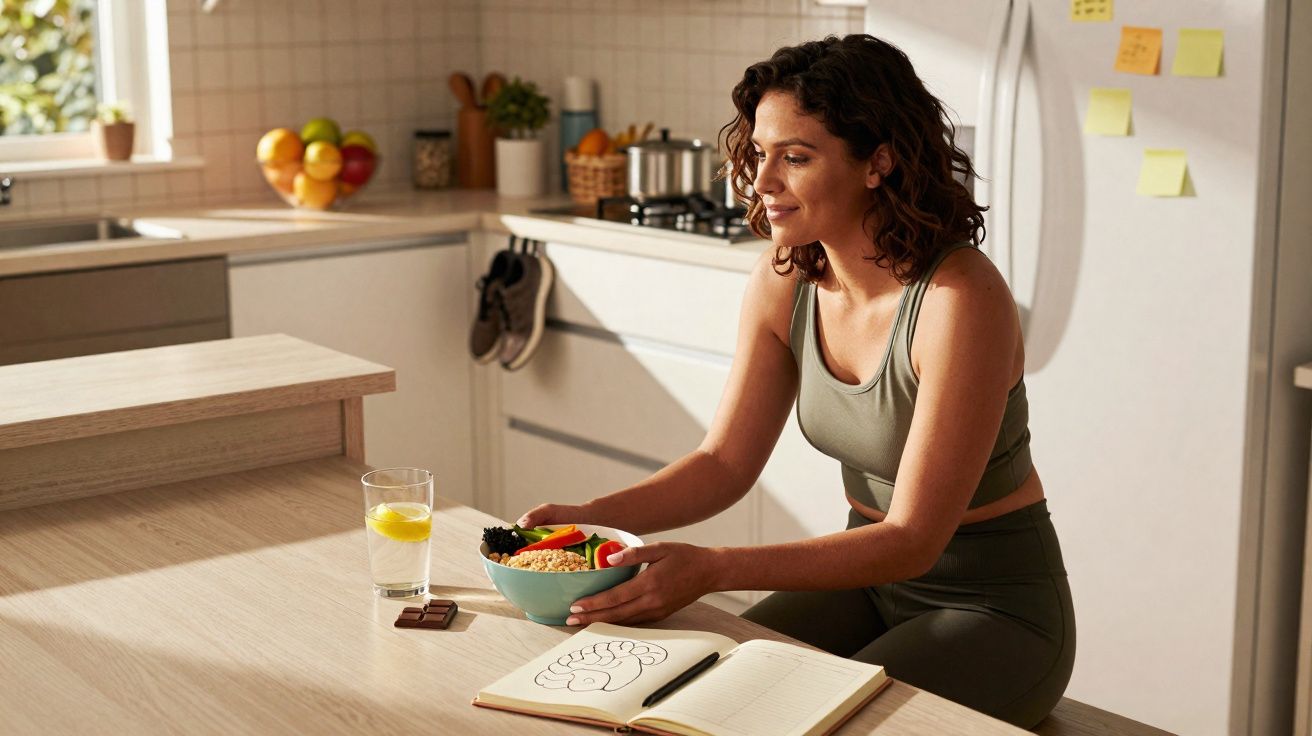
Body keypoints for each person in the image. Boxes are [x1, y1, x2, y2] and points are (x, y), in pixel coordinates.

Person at [516, 34, 1075, 729]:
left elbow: (913, 539)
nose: (761, 182)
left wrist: (714, 568)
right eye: (759, 153)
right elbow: (723, 463)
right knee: (693, 696)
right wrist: (589, 520)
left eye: (796, 157)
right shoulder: (787, 278)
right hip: (865, 587)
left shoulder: (959, 300)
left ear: (878, 163)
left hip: (992, 608)